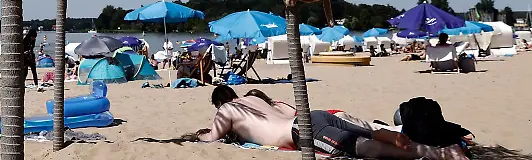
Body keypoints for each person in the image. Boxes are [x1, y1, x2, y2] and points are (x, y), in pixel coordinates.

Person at [198, 86, 467, 160]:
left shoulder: (226, 110)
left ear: (219, 103)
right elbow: (288, 108)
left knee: (362, 148)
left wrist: (200, 136)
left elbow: (212, 138)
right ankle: (389, 134)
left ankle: (440, 153)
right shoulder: (254, 99)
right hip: (314, 116)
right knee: (369, 132)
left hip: (300, 131)